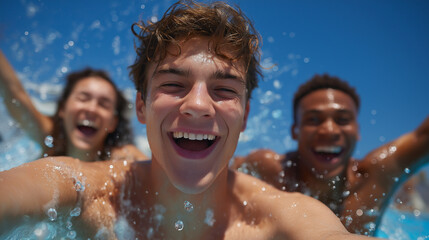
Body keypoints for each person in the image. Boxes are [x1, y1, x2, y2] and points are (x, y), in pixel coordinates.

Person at [0, 1, 378, 239]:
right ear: (141, 107)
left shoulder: (281, 219)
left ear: (245, 117)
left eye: (224, 89)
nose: (198, 106)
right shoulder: (93, 193)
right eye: (173, 83)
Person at [231, 74, 429, 235]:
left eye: (342, 120)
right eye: (314, 120)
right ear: (295, 131)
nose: (329, 130)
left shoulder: (375, 176)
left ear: (358, 130)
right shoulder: (270, 169)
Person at [0, 51, 147, 162]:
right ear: (62, 109)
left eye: (103, 104)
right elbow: (14, 92)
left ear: (113, 122)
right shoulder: (51, 138)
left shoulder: (122, 158)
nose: (91, 109)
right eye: (83, 98)